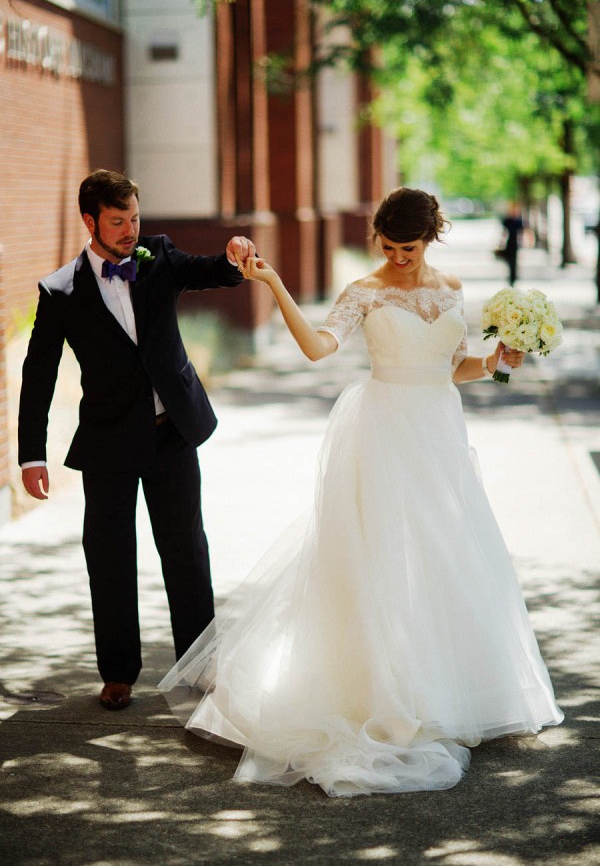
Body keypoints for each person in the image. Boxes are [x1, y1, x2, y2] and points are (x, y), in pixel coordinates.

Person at [160, 187, 563, 797]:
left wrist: (502, 359)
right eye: (389, 246)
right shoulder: (364, 293)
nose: (399, 257)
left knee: (442, 555)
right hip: (383, 430)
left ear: (433, 239)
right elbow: (319, 347)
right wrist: (273, 285)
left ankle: (438, 685)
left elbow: (457, 364)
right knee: (377, 561)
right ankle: (378, 689)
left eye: (410, 247)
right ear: (377, 238)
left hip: (439, 431)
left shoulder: (452, 289)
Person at [18, 169, 255, 711]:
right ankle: (118, 672)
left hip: (172, 432)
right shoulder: (60, 291)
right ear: (90, 220)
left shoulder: (159, 256)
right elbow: (39, 375)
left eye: (135, 218)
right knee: (109, 556)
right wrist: (33, 455)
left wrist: (235, 254)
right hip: (107, 442)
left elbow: (212, 271)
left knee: (187, 551)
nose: (130, 230)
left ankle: (200, 665)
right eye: (118, 221)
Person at [499, 203, 525, 286]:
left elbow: (522, 232)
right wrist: (501, 242)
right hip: (509, 242)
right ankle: (511, 276)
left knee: (514, 261)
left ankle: (513, 277)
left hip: (516, 243)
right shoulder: (507, 220)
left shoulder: (518, 221)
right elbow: (504, 232)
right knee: (509, 261)